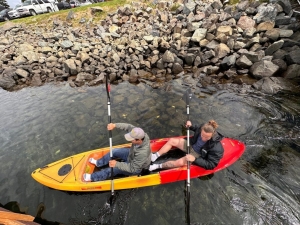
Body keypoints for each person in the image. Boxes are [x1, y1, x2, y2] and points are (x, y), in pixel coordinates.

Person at [83, 123, 151, 182]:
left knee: (113, 169)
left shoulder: (142, 153)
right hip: (131, 154)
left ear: (138, 140)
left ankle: (92, 177)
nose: (130, 140)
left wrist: (117, 164)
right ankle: (99, 163)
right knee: (114, 151)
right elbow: (127, 126)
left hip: (135, 167)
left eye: (131, 139)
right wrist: (114, 125)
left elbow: (133, 168)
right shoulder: (139, 133)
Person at [149, 120, 224, 171]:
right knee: (172, 141)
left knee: (179, 163)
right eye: (202, 135)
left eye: (207, 137)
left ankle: (156, 166)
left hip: (197, 155)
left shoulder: (217, 148)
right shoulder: (202, 127)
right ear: (201, 130)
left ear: (213, 135)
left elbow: (211, 165)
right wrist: (190, 126)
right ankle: (155, 156)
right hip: (191, 145)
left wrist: (195, 159)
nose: (203, 138)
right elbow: (196, 128)